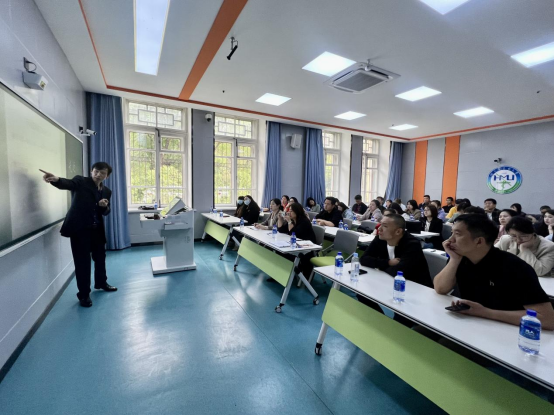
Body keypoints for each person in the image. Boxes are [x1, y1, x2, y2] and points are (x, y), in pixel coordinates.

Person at [434, 214, 554, 330]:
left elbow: (548, 319)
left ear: (479, 241)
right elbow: (440, 288)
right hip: (471, 324)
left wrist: (486, 313)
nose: (450, 240)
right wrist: (454, 260)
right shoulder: (461, 258)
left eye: (457, 234)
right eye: (451, 233)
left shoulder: (515, 267)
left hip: (506, 330)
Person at [40, 163, 117, 308]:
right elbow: (68, 183)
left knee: (100, 258)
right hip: (80, 230)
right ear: (91, 171)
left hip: (97, 230)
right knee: (82, 262)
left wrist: (104, 206)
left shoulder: (107, 191)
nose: (98, 175)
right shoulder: (81, 181)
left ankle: (101, 282)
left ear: (107, 176)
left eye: (102, 173)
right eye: (96, 171)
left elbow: (106, 212)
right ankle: (84, 294)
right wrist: (56, 179)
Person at [358, 214, 432, 326]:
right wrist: (388, 262)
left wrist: (379, 265)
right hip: (389, 282)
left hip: (414, 289)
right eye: (380, 225)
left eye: (385, 226)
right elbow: (363, 259)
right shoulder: (381, 238)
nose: (379, 229)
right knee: (363, 294)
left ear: (398, 231)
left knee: (401, 318)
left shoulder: (412, 244)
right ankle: (381, 325)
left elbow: (399, 272)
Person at [278, 202, 317, 276]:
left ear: (297, 211)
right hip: (296, 244)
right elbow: (281, 230)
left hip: (306, 247)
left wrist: (289, 222)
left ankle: (289, 275)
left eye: (291, 211)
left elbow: (294, 234)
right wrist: (280, 219)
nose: (289, 212)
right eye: (289, 210)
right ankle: (283, 274)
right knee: (279, 252)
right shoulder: (293, 220)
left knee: (285, 254)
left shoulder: (304, 221)